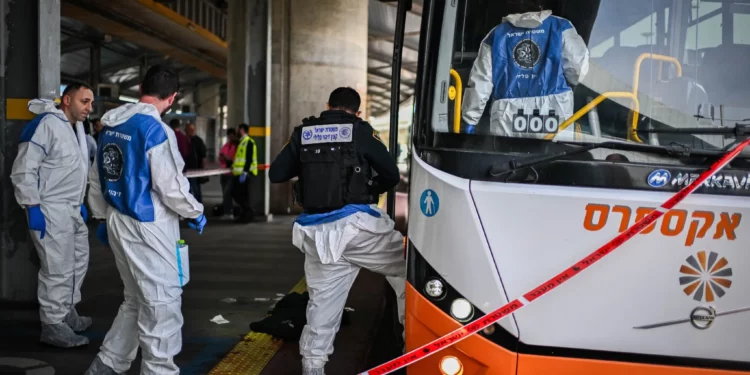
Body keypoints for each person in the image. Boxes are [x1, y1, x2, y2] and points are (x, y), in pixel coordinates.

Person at [268, 87, 406, 375]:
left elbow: (276, 173)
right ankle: (411, 346)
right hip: (359, 229)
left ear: (327, 105)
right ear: (357, 111)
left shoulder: (304, 132)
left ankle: (313, 367)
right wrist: (370, 190)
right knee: (409, 271)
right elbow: (391, 174)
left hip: (317, 235)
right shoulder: (361, 131)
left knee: (322, 305)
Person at [84, 64, 206, 375]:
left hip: (116, 220)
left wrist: (100, 217)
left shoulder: (111, 126)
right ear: (173, 98)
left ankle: (107, 365)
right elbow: (171, 187)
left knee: (136, 300)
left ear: (141, 90)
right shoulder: (156, 131)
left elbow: (96, 178)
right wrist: (195, 212)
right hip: (147, 226)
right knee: (162, 304)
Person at [10, 83, 95, 348]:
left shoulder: (78, 128)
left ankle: (67, 310)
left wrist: (80, 201)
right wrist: (31, 205)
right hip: (49, 208)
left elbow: (76, 169)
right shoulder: (47, 125)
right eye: (85, 101)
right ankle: (53, 324)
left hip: (71, 207)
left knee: (78, 261)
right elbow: (24, 168)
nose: (89, 108)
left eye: (91, 103)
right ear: (67, 100)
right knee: (57, 268)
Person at [460, 3, 589, 136]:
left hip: (507, 113)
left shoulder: (496, 34)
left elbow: (481, 80)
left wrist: (471, 119)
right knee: (554, 155)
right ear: (541, 5)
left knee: (507, 155)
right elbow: (577, 72)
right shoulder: (561, 26)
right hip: (554, 108)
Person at [231, 123, 258, 223]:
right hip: (239, 174)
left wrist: (245, 172)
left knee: (240, 195)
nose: (237, 131)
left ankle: (248, 214)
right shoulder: (241, 142)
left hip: (245, 174)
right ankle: (245, 216)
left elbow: (249, 159)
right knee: (240, 195)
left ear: (242, 130)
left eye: (238, 129)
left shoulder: (249, 142)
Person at [218, 128, 238, 219]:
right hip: (224, 172)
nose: (230, 138)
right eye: (228, 136)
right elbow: (220, 155)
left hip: (232, 173)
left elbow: (237, 159)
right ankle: (227, 211)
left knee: (228, 193)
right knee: (225, 193)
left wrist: (229, 158)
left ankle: (229, 212)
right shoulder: (226, 145)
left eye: (231, 136)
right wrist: (223, 157)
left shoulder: (237, 146)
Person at [185, 123, 207, 203]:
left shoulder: (197, 141)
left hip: (196, 170)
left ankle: (198, 206)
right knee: (188, 189)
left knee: (196, 188)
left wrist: (202, 169)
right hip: (187, 169)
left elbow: (203, 155)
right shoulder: (185, 139)